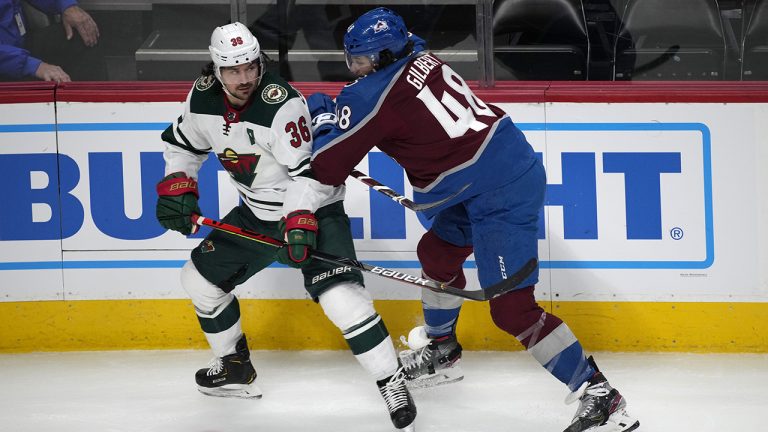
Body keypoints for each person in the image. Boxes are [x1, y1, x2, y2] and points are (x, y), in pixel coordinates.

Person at [306, 7, 640, 432]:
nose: (352, 70)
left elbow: (328, 167)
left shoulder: (373, 95)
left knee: (513, 311)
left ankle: (598, 393)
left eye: (360, 61)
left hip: (501, 192)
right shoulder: (420, 56)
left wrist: (322, 122)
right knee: (438, 254)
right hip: (487, 175)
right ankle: (443, 350)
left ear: (386, 56)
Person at [155, 22, 416, 432]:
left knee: (343, 301)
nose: (244, 79)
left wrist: (299, 220)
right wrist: (178, 185)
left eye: (251, 68)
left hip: (316, 210)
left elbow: (309, 176)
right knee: (198, 281)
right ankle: (235, 366)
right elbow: (183, 144)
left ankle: (393, 382)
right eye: (232, 70)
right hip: (256, 215)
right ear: (215, 69)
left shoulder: (282, 105)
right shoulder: (200, 97)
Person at [0, 0, 100, 82]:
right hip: (7, 63)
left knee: (83, 32)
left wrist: (66, 6)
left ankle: (97, 101)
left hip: (20, 43)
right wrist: (31, 66)